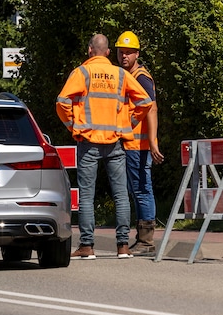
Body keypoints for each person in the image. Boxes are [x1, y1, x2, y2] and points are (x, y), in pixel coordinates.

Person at [56, 33, 152, 260]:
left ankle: (87, 246)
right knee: (121, 195)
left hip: (88, 142)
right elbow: (145, 102)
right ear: (108, 52)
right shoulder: (120, 74)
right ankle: (123, 246)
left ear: (90, 50)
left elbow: (62, 103)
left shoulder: (82, 73)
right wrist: (128, 123)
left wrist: (73, 127)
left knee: (87, 196)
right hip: (115, 142)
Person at [115, 30, 163, 255]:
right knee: (135, 190)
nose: (124, 56)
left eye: (128, 53)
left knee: (142, 190)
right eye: (121, 52)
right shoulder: (126, 76)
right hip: (130, 143)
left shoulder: (141, 78)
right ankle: (142, 238)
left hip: (139, 146)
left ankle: (146, 240)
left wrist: (152, 142)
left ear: (137, 54)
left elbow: (151, 109)